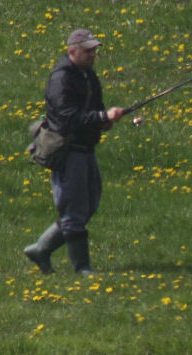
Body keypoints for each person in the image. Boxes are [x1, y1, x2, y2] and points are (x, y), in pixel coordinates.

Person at [24, 29, 124, 275]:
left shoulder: (88, 75)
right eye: (87, 51)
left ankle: (41, 249)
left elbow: (95, 108)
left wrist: (105, 121)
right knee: (74, 209)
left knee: (88, 205)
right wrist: (101, 116)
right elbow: (67, 118)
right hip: (68, 151)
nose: (92, 55)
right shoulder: (61, 79)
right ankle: (82, 268)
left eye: (94, 51)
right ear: (72, 51)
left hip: (86, 148)